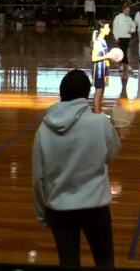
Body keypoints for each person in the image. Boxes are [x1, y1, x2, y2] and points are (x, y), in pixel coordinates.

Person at [32, 69, 121, 268]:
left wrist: (42, 213)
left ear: (61, 93)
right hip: (96, 207)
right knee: (105, 262)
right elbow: (112, 151)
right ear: (87, 94)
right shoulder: (100, 124)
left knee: (69, 264)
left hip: (60, 209)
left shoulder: (44, 130)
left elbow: (38, 178)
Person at [91, 24, 111, 114]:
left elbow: (104, 55)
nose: (109, 29)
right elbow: (94, 58)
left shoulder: (103, 40)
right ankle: (97, 113)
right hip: (99, 70)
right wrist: (107, 56)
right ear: (101, 29)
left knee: (102, 91)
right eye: (107, 27)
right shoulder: (98, 42)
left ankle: (99, 110)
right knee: (98, 92)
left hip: (104, 69)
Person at [112, 4, 136, 73]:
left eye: (128, 11)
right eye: (126, 10)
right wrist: (116, 37)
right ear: (123, 10)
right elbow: (115, 27)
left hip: (127, 38)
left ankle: (122, 65)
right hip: (120, 38)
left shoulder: (129, 19)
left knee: (124, 51)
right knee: (123, 51)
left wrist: (130, 31)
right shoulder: (118, 17)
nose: (127, 12)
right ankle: (127, 65)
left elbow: (133, 27)